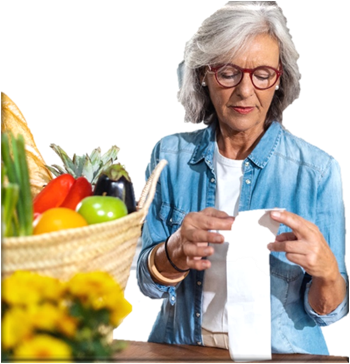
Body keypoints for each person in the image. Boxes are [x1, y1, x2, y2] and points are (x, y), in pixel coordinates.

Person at [136, 1, 348, 355]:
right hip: (182, 349)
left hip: (283, 354)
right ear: (204, 74)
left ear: (279, 79)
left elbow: (329, 311)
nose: (245, 91)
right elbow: (147, 284)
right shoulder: (169, 156)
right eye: (229, 72)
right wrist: (172, 252)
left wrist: (327, 272)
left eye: (262, 74)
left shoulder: (318, 171)